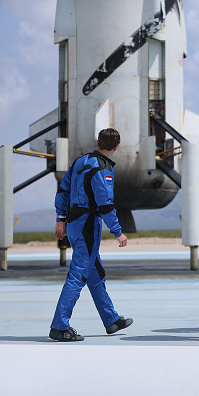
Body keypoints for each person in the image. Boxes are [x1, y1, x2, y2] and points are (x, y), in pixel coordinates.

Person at [50, 128, 131, 342]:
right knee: (78, 275)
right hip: (87, 224)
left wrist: (60, 219)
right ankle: (59, 326)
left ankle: (111, 319)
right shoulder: (102, 168)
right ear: (116, 147)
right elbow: (105, 203)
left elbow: (63, 190)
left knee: (95, 272)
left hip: (74, 222)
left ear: (97, 141)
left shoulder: (79, 161)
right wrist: (118, 232)